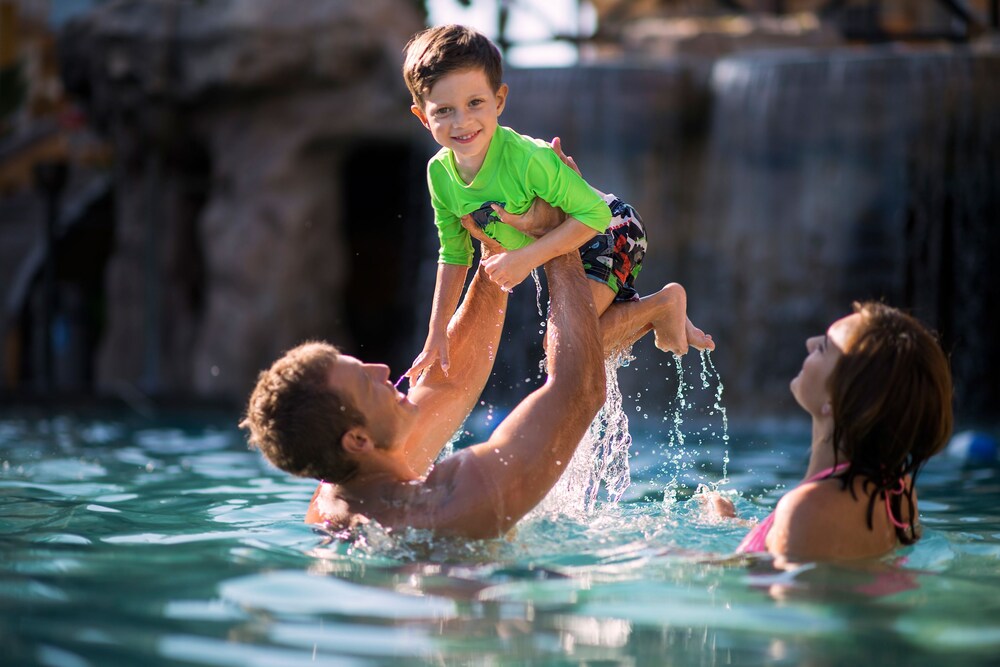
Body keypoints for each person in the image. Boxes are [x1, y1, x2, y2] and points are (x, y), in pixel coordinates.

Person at [241, 229, 609, 538]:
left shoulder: (335, 494)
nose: (383, 371)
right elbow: (580, 390)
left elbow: (451, 386)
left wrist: (497, 243)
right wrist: (560, 238)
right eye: (367, 383)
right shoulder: (444, 504)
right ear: (358, 440)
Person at [401, 24, 713, 381]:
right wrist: (436, 334)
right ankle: (655, 311)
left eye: (475, 103)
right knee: (568, 353)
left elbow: (594, 214)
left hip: (610, 229)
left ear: (499, 100)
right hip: (561, 243)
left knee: (566, 351)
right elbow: (454, 254)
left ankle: (662, 304)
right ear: (423, 117)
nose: (462, 121)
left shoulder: (528, 159)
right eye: (444, 111)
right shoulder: (440, 174)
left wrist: (524, 259)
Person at [715, 302, 953, 563]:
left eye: (824, 347)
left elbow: (774, 592)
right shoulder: (896, 491)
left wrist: (664, 554)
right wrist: (733, 523)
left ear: (839, 398)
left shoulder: (808, 509)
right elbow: (830, 547)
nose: (809, 343)